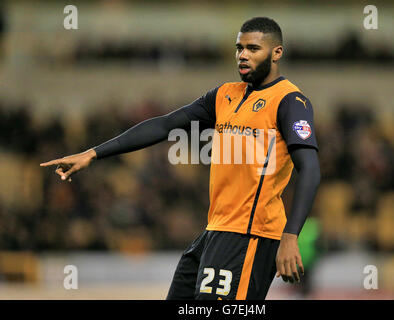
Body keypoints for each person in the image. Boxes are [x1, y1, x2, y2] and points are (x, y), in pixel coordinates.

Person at [40, 17, 321, 300]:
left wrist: (290, 236)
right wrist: (93, 153)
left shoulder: (290, 102)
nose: (243, 55)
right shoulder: (225, 95)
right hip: (215, 231)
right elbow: (165, 125)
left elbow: (310, 169)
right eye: (239, 48)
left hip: (252, 235)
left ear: (276, 53)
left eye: (253, 48)